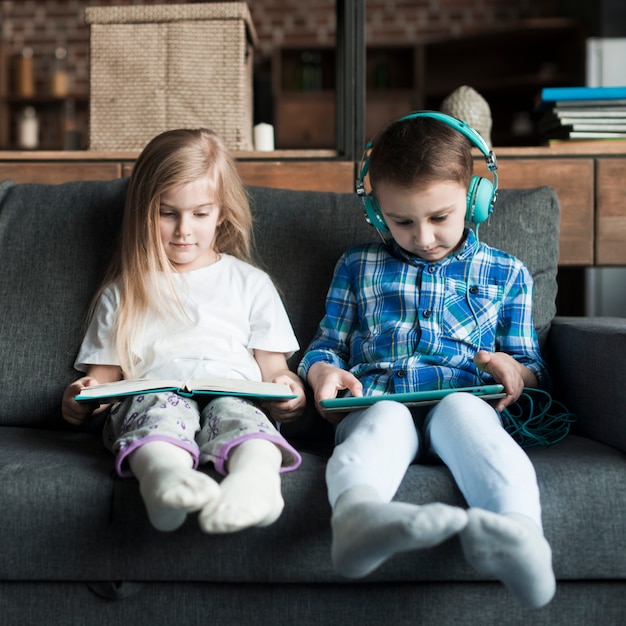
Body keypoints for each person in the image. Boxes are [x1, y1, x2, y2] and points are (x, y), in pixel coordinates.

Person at [298, 112, 556, 608]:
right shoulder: (356, 266)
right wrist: (322, 373)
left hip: (462, 400)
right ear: (376, 213)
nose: (423, 237)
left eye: (440, 217)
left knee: (468, 417)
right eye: (402, 221)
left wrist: (513, 372)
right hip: (376, 401)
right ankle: (357, 522)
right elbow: (326, 345)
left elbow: (531, 366)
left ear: (477, 200)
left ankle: (519, 536)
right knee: (386, 419)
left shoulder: (508, 273)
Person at [62, 128, 306, 534]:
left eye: (200, 214)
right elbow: (100, 383)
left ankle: (257, 482)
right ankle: (163, 480)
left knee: (241, 419)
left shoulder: (250, 284)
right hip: (151, 393)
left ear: (222, 212)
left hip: (235, 391)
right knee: (156, 415)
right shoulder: (123, 291)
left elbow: (275, 372)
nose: (183, 231)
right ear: (143, 210)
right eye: (167, 212)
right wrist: (81, 398)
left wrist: (289, 394)